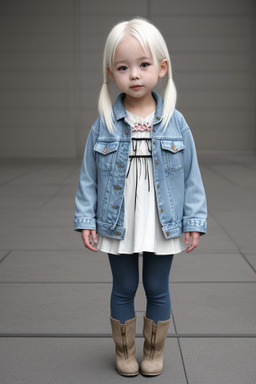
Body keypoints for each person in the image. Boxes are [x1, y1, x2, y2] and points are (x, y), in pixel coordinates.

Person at [74, 17, 207, 377]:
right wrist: (86, 219)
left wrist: (193, 221)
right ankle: (124, 352)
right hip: (119, 219)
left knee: (156, 286)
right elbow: (89, 177)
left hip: (162, 219)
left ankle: (153, 351)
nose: (134, 74)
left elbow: (192, 176)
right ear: (111, 73)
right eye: (123, 67)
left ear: (162, 68)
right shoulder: (103, 123)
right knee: (125, 286)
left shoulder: (175, 122)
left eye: (143, 65)